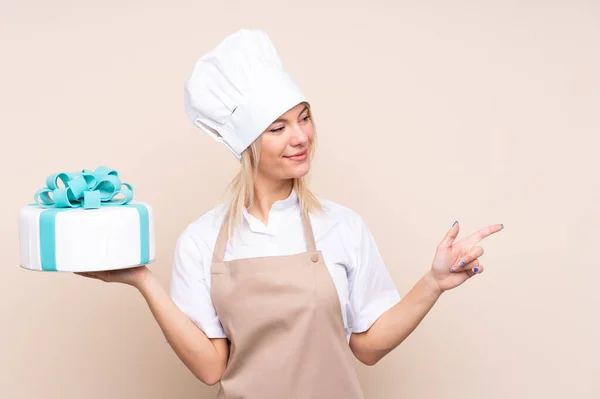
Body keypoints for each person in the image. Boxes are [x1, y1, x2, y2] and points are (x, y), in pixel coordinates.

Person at [77, 29, 503, 398]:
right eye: (278, 128)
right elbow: (210, 368)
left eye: (304, 118)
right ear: (248, 145)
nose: (301, 137)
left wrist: (433, 284)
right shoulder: (202, 238)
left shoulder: (341, 226)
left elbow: (368, 347)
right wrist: (143, 282)